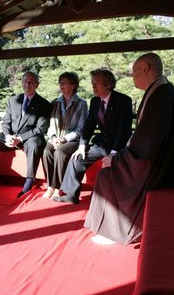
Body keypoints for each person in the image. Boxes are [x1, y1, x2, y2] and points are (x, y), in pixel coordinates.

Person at [84, 53, 174, 245]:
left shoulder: (162, 97)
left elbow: (147, 144)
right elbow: (146, 139)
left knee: (107, 175)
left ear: (146, 68)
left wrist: (118, 160)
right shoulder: (161, 92)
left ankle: (117, 230)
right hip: (163, 158)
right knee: (110, 169)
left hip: (165, 167)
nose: (132, 75)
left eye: (134, 70)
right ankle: (111, 226)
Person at [53, 68, 133, 204]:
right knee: (77, 158)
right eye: (92, 83)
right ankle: (71, 194)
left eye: (96, 83)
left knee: (115, 163)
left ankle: (121, 199)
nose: (93, 86)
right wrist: (82, 146)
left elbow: (123, 130)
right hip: (102, 144)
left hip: (120, 145)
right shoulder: (95, 101)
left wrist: (113, 153)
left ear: (108, 84)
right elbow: (89, 125)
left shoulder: (123, 100)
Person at [0, 71, 51, 198]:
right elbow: (6, 122)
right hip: (11, 136)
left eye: (31, 82)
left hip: (29, 138)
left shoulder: (44, 104)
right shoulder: (13, 100)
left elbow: (40, 129)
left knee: (34, 144)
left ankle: (29, 181)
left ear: (37, 84)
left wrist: (20, 138)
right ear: (22, 83)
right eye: (25, 81)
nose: (28, 84)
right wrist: (8, 136)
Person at [42, 72, 88, 199]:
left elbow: (81, 127)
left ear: (73, 85)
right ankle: (50, 185)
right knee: (47, 151)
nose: (61, 85)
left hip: (73, 139)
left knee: (60, 153)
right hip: (56, 138)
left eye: (64, 82)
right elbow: (51, 124)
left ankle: (59, 187)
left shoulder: (81, 103)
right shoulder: (55, 102)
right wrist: (53, 138)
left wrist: (64, 139)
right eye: (60, 82)